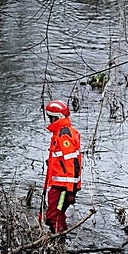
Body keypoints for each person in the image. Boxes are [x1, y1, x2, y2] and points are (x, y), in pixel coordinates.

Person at [43, 100, 82, 236]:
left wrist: (70, 191)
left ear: (55, 117)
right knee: (55, 215)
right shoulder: (61, 132)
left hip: (64, 188)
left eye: (50, 117)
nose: (49, 120)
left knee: (54, 216)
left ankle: (58, 244)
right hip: (61, 186)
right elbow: (64, 160)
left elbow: (72, 163)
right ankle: (60, 240)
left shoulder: (63, 134)